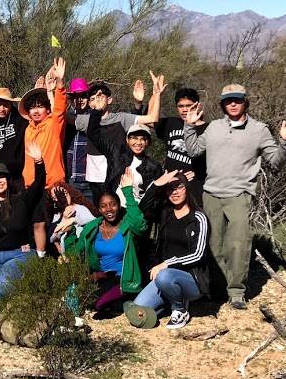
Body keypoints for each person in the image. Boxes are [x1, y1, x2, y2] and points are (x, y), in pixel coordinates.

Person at [183, 84, 286, 310]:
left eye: (238, 99)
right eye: (228, 100)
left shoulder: (259, 130)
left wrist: (284, 141)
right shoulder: (213, 127)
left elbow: (276, 161)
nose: (233, 103)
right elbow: (194, 151)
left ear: (245, 102)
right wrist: (189, 125)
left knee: (238, 244)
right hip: (211, 193)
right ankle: (217, 288)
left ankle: (236, 292)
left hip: (239, 195)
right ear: (222, 103)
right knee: (213, 244)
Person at [126, 171, 210, 329]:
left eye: (179, 187)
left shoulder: (199, 217)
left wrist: (167, 264)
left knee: (164, 276)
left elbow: (199, 254)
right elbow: (144, 208)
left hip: (192, 279)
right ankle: (172, 299)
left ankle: (179, 309)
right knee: (139, 308)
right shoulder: (165, 214)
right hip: (164, 277)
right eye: (169, 188)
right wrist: (157, 184)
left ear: (187, 188)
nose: (175, 192)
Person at [0, 142, 45, 317]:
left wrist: (39, 163)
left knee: (5, 282)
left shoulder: (21, 200)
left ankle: (28, 300)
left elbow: (38, 185)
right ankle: (8, 304)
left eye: (1, 177)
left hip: (21, 254)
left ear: (8, 179)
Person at [63, 168, 148, 312]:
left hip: (123, 278)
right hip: (100, 277)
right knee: (77, 297)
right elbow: (75, 254)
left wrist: (128, 192)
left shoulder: (127, 224)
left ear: (118, 206)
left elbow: (141, 226)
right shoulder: (93, 227)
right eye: (104, 206)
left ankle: (124, 300)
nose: (109, 209)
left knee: (96, 303)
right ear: (99, 209)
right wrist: (70, 233)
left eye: (113, 204)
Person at [74, 77, 161, 202]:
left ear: (109, 100)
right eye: (92, 99)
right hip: (94, 180)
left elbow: (152, 118)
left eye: (100, 97)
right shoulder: (86, 120)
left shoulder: (121, 118)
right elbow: (58, 118)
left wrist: (156, 95)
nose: (96, 102)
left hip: (118, 176)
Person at [18, 57, 68, 255]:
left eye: (40, 106)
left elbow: (60, 108)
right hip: (32, 185)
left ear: (47, 108)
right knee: (37, 224)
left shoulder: (53, 125)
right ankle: (40, 259)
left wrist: (59, 84)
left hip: (53, 183)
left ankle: (65, 259)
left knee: (59, 224)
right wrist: (40, 90)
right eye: (32, 107)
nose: (36, 110)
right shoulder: (28, 129)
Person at [85, 109, 162, 203]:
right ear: (127, 139)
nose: (138, 142)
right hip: (115, 211)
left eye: (143, 139)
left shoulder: (153, 167)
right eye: (134, 138)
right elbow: (93, 135)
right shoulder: (116, 153)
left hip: (137, 212)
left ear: (148, 142)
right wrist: (97, 112)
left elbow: (154, 198)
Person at [150, 78, 207, 199]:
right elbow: (151, 118)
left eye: (189, 105)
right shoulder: (170, 123)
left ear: (197, 105)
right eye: (181, 106)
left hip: (195, 187)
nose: (185, 109)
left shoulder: (208, 129)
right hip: (171, 186)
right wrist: (156, 94)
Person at [0, 87, 28, 180]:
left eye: (6, 105)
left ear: (11, 105)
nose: (2, 109)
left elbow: (36, 112)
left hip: (16, 176)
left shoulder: (20, 119)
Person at [64, 78, 91, 201]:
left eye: (83, 96)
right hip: (71, 179)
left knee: (94, 217)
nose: (80, 100)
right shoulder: (66, 118)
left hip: (91, 180)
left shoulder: (96, 118)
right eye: (76, 97)